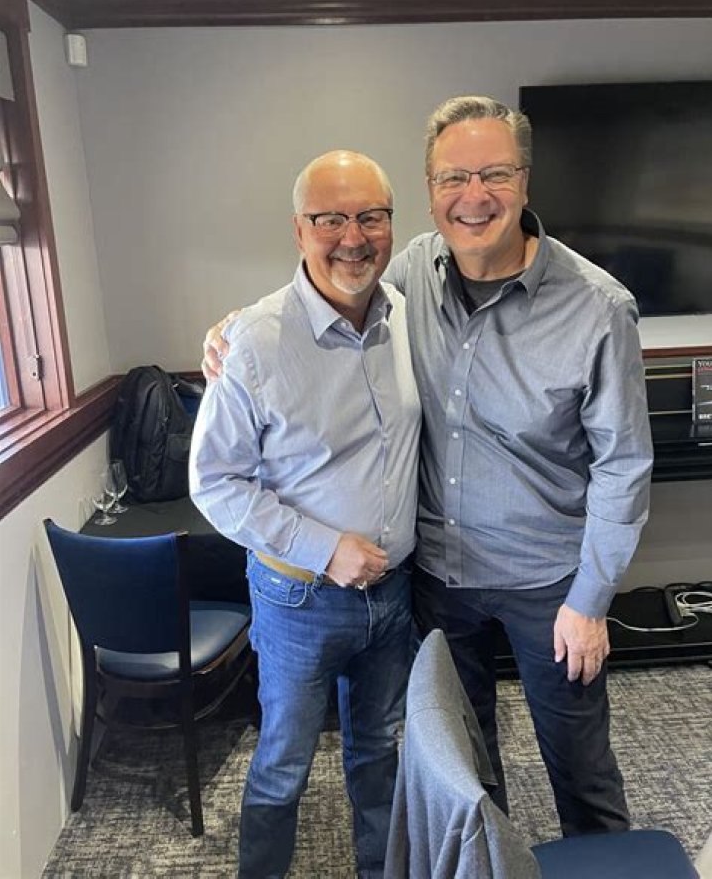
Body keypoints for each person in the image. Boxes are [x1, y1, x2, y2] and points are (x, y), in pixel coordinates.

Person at [202, 96, 654, 838]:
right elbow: (325, 281)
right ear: (430, 188)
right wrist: (232, 329)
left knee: (581, 769)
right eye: (452, 178)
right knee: (463, 768)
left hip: (550, 586)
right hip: (439, 582)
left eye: (494, 174)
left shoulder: (598, 308)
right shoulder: (410, 269)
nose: (474, 196)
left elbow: (624, 466)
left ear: (525, 182)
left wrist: (592, 598)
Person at [189, 150, 420, 879]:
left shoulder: (408, 315)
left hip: (394, 595)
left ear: (391, 224)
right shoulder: (255, 342)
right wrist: (323, 547)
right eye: (330, 219)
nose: (353, 237)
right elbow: (214, 483)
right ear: (299, 231)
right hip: (299, 599)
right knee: (283, 763)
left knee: (380, 753)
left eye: (370, 216)